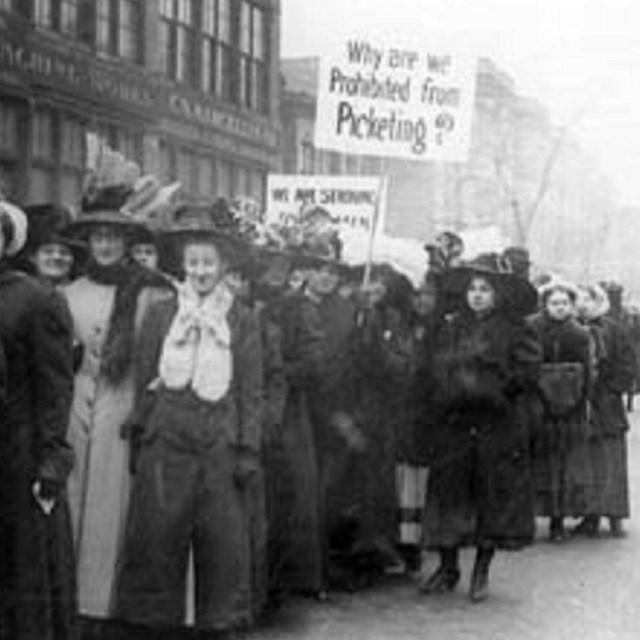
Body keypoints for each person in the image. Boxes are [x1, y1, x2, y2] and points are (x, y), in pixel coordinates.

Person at [115, 203, 264, 635]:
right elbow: (145, 376)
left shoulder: (242, 318)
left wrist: (247, 447)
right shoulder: (163, 313)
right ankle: (158, 623)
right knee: (159, 537)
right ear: (182, 264)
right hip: (168, 435)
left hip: (219, 440)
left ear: (222, 266)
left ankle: (216, 622)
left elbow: (250, 390)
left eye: (209, 263)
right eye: (194, 262)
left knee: (220, 541)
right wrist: (142, 434)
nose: (201, 270)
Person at [63, 186, 173, 631]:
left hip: (124, 408)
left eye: (114, 237)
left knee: (113, 509)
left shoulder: (150, 293)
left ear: (128, 242)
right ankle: (69, 599)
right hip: (75, 408)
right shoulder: (68, 293)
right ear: (88, 242)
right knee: (71, 503)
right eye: (98, 237)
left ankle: (103, 605)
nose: (105, 245)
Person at [420, 254, 541, 603]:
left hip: (496, 424)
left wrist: (495, 391)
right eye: (472, 289)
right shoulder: (450, 325)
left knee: (490, 495)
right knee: (449, 493)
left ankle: (481, 571)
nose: (477, 295)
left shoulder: (517, 328)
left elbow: (527, 373)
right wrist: (450, 390)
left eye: (485, 289)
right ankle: (448, 566)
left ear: (498, 294)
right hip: (455, 423)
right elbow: (434, 366)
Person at [0, 200, 77, 640]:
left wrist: (50, 462)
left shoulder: (34, 299)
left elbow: (55, 387)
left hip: (18, 455)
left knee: (24, 570)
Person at [530, 282, 593, 541]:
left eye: (565, 303)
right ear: (545, 305)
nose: (560, 308)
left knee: (563, 466)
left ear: (571, 306)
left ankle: (558, 520)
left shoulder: (580, 333)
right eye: (554, 303)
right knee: (537, 463)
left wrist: (581, 401)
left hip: (570, 406)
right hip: (538, 406)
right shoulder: (532, 328)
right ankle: (530, 519)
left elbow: (588, 370)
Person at [574, 284, 634, 537]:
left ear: (600, 302)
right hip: (582, 403)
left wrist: (613, 389)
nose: (585, 303)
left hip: (607, 405)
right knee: (588, 461)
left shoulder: (614, 328)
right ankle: (591, 515)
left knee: (612, 460)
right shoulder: (574, 329)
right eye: (581, 299)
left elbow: (628, 362)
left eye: (590, 299)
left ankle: (615, 515)